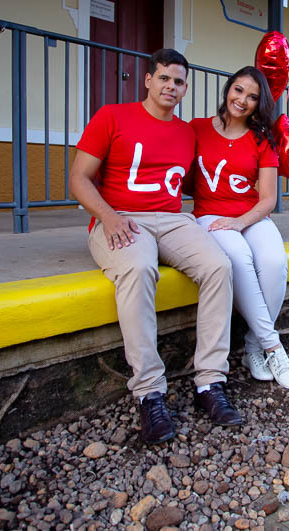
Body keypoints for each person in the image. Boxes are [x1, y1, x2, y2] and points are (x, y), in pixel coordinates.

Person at [70, 48, 243, 444]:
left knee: (219, 266)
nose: (171, 86)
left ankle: (209, 383)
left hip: (171, 219)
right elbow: (79, 178)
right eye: (164, 77)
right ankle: (150, 392)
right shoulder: (112, 116)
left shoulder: (186, 133)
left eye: (179, 81)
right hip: (120, 217)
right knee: (139, 269)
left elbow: (215, 172)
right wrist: (109, 216)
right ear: (148, 80)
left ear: (185, 89)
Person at [189, 66, 289, 389]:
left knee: (274, 261)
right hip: (210, 215)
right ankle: (273, 346)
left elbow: (268, 199)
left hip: (250, 215)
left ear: (258, 104)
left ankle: (253, 345)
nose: (242, 100)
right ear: (228, 89)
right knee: (238, 256)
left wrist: (241, 222)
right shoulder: (196, 128)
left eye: (252, 97)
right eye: (238, 90)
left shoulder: (262, 139)